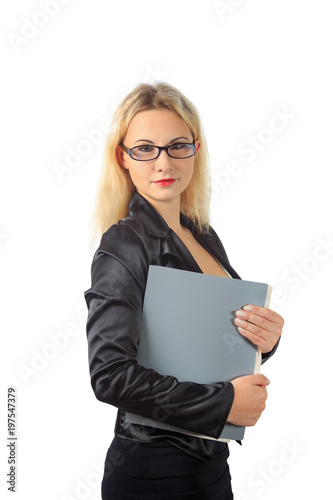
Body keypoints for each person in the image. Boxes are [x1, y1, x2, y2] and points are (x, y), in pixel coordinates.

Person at [84, 82, 284, 499]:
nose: (163, 162)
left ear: (195, 149)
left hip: (210, 465)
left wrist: (265, 340)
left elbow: (205, 342)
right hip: (154, 470)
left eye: (177, 146)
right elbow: (109, 375)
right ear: (123, 157)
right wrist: (223, 403)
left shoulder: (202, 234)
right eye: (145, 148)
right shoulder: (124, 244)